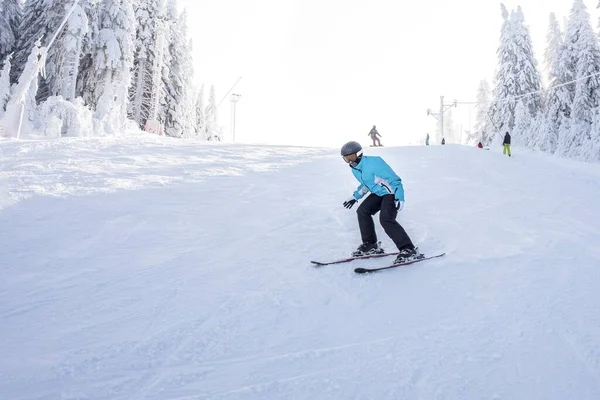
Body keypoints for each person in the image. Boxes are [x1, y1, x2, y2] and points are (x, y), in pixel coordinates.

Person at [340, 141, 420, 264]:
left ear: (359, 154)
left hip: (390, 192)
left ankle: (408, 249)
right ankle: (370, 244)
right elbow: (366, 184)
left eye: (351, 157)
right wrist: (355, 197)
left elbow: (394, 179)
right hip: (378, 194)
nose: (350, 161)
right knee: (362, 211)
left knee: (386, 219)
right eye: (346, 159)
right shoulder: (355, 169)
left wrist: (399, 197)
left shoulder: (374, 162)